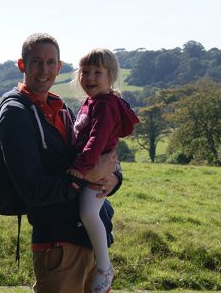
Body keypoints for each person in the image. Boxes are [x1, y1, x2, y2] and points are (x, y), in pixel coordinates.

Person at [0, 33, 122, 293]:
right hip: (57, 244)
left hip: (89, 241)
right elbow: (33, 189)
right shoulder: (15, 114)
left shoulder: (61, 108)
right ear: (22, 65)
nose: (44, 70)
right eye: (36, 62)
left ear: (59, 67)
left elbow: (97, 152)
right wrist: (84, 177)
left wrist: (114, 178)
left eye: (50, 62)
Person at [67, 48, 139, 293]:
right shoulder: (91, 102)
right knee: (86, 213)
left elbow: (96, 140)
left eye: (98, 72)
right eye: (85, 71)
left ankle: (104, 268)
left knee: (88, 212)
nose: (90, 77)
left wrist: (80, 167)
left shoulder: (105, 106)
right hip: (92, 168)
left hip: (94, 171)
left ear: (111, 77)